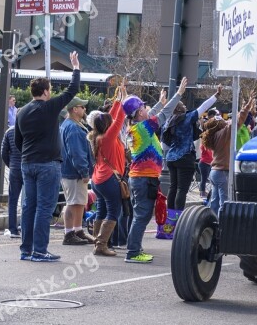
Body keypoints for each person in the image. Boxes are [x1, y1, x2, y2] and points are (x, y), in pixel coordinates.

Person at [15, 51, 81, 262]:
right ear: (44, 92)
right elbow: (72, 91)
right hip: (48, 165)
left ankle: (26, 249)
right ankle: (40, 250)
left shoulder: (22, 112)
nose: (51, 93)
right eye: (50, 90)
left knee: (29, 207)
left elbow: (18, 140)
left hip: (28, 163)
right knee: (44, 208)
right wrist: (76, 68)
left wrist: (27, 154)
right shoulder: (50, 107)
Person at [122, 77, 186, 264]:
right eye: (143, 108)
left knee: (139, 215)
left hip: (140, 178)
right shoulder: (143, 128)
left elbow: (156, 113)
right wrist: (178, 94)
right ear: (139, 112)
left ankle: (135, 248)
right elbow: (164, 114)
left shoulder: (136, 127)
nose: (146, 109)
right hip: (144, 179)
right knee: (142, 216)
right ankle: (133, 252)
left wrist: (160, 102)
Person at [162, 85, 220, 212]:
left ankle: (170, 217)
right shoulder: (187, 117)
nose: (186, 107)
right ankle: (178, 217)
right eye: (183, 105)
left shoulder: (168, 122)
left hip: (171, 158)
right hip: (185, 157)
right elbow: (203, 107)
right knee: (182, 189)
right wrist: (215, 96)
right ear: (179, 108)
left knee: (173, 187)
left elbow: (164, 145)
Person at [88, 84, 128, 256]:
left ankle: (97, 243)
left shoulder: (98, 135)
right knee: (114, 211)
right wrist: (124, 101)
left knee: (102, 210)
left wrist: (118, 100)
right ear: (107, 126)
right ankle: (101, 245)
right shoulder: (109, 137)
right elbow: (118, 119)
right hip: (108, 179)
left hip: (98, 179)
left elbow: (111, 117)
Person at [201, 95, 255, 216]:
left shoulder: (214, 136)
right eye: (221, 120)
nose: (224, 120)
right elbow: (237, 121)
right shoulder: (223, 133)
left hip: (214, 171)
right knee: (224, 203)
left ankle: (212, 225)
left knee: (214, 203)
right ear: (218, 125)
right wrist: (246, 108)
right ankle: (222, 227)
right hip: (222, 172)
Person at [59, 95, 95, 246]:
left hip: (70, 171)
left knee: (77, 202)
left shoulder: (70, 124)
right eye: (82, 107)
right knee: (74, 202)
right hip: (73, 172)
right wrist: (84, 172)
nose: (84, 109)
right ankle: (69, 233)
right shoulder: (73, 127)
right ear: (74, 109)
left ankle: (77, 230)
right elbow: (77, 153)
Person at [0, 124, 22, 238]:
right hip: (28, 167)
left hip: (15, 169)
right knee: (29, 200)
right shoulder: (29, 129)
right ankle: (25, 226)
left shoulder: (9, 131)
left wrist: (11, 165)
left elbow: (3, 152)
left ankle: (12, 229)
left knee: (13, 200)